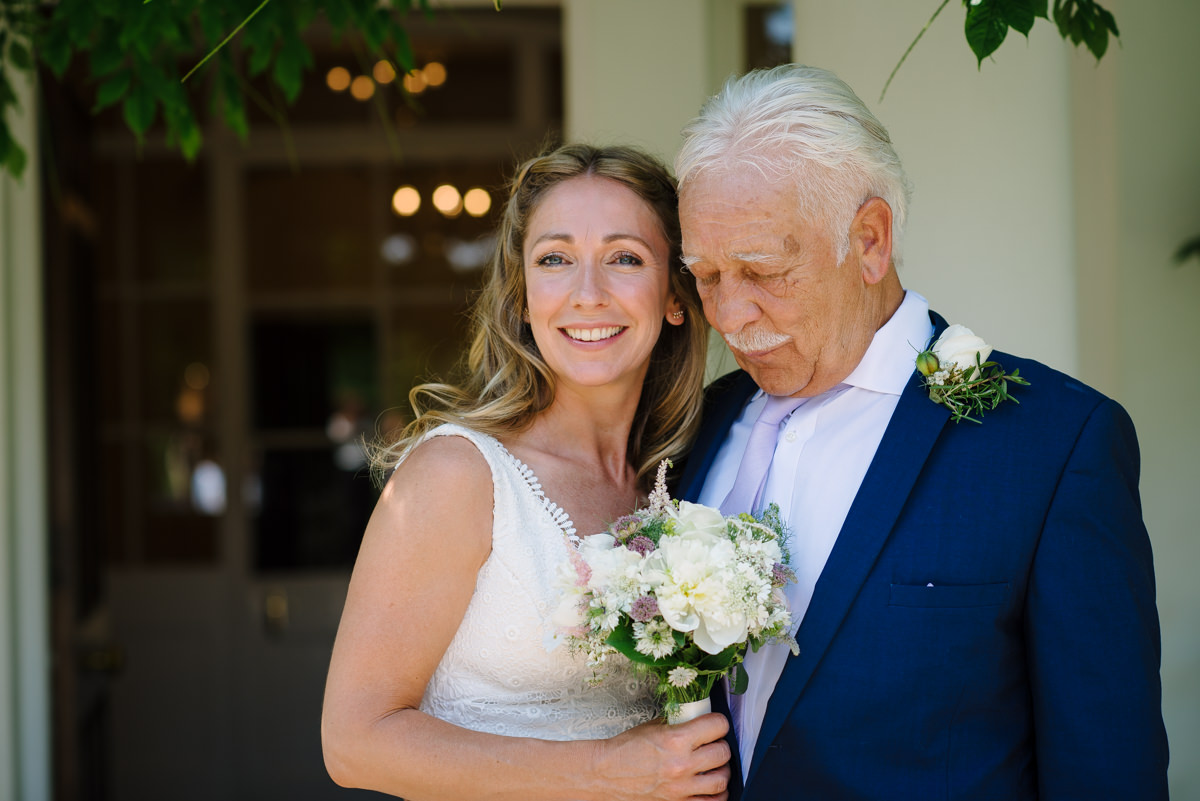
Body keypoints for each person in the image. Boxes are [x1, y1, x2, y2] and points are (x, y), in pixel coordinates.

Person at [673, 65, 1169, 800]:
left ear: (870, 240)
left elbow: (1107, 770)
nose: (729, 314)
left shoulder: (1056, 445)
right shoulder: (695, 424)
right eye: (706, 275)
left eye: (763, 269)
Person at [321, 143, 732, 801]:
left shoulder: (688, 480)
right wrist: (605, 772)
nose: (588, 294)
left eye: (624, 258)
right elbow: (353, 742)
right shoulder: (458, 475)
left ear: (676, 297)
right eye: (555, 260)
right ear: (523, 296)